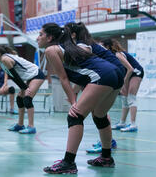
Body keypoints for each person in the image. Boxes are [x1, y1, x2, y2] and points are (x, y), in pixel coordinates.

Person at [38, 23, 123, 174]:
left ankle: (68, 163)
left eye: (41, 34)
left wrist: (73, 102)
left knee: (75, 117)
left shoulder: (51, 50)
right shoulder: (69, 46)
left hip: (102, 74)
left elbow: (64, 79)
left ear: (50, 37)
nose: (38, 38)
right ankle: (106, 157)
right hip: (115, 74)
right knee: (100, 116)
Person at [66, 22, 133, 153]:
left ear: (73, 34)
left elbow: (85, 55)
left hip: (109, 74)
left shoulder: (82, 44)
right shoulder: (87, 42)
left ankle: (105, 143)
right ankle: (107, 146)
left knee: (92, 114)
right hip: (110, 74)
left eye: (66, 32)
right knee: (99, 113)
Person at [0, 45, 45, 134]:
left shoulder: (5, 59)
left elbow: (15, 76)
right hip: (29, 77)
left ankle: (31, 127)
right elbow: (13, 77)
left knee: (27, 98)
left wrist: (25, 88)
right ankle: (20, 125)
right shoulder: (1, 61)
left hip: (37, 74)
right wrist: (23, 88)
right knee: (19, 98)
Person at [102, 39, 144, 132]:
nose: (101, 48)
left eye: (102, 46)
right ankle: (122, 122)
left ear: (108, 47)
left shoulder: (117, 54)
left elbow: (130, 69)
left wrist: (123, 82)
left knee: (131, 97)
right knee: (124, 99)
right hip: (127, 75)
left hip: (136, 72)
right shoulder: (109, 57)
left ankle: (133, 125)